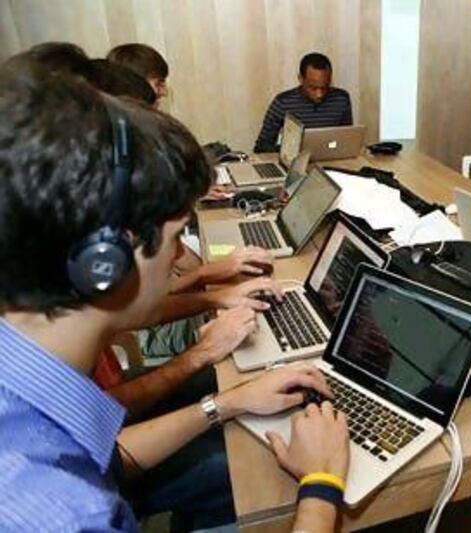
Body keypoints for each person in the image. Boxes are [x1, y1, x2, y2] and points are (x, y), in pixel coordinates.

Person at [0, 58, 349, 532]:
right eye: (178, 235)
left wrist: (229, 402)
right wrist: (322, 485)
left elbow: (107, 457)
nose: (182, 260)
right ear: (106, 261)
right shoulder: (69, 513)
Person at [254, 52, 353, 153]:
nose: (320, 94)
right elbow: (261, 146)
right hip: (296, 162)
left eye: (324, 87)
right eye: (313, 88)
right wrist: (288, 151)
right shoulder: (283, 102)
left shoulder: (342, 99)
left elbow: (346, 140)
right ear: (300, 79)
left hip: (331, 160)